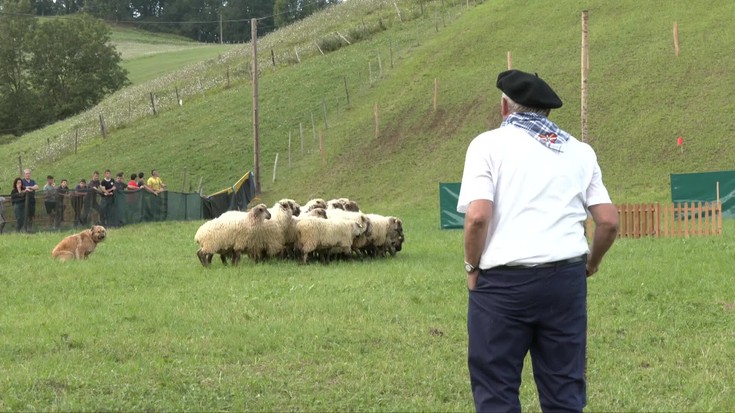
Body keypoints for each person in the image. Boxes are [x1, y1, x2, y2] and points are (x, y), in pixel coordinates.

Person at [457, 69, 619, 413]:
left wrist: (472, 266)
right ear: (547, 111)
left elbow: (477, 217)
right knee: (564, 391)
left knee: (496, 389)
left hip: (502, 285)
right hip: (565, 282)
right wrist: (590, 264)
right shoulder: (580, 152)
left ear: (505, 107)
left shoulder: (486, 146)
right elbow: (607, 222)